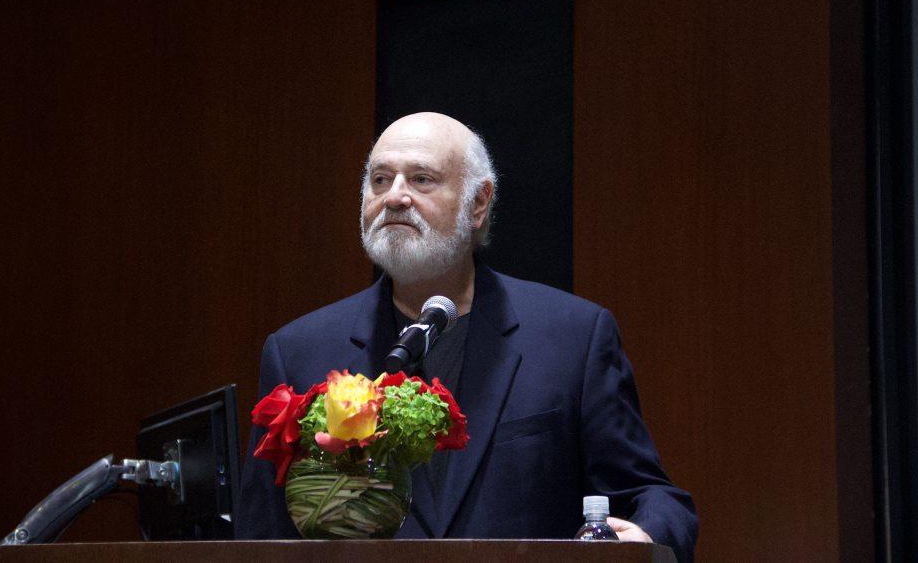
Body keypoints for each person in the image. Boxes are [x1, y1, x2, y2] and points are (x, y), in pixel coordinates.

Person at [235, 112, 697, 560]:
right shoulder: (298, 351)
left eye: (421, 179)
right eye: (379, 179)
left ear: (478, 203)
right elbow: (258, 538)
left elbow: (652, 496)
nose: (394, 197)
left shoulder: (573, 337)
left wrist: (646, 537)